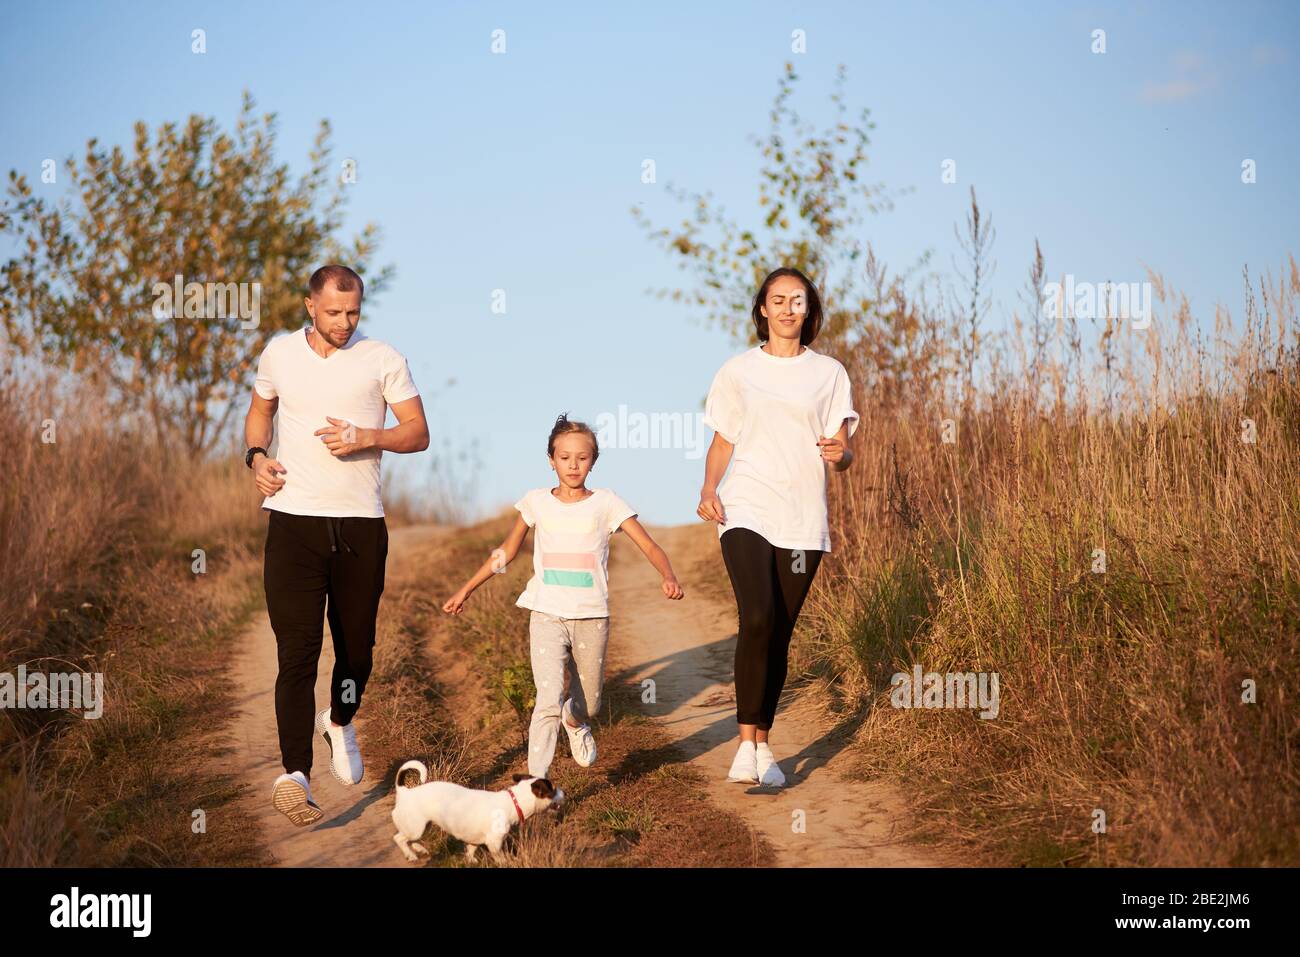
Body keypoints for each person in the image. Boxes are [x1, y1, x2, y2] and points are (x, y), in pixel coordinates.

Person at [244, 264, 429, 826]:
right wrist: (256, 457)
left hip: (358, 526)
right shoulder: (278, 354)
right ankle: (296, 775)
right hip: (293, 524)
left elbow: (418, 433)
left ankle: (341, 721)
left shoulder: (383, 359)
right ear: (309, 307)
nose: (345, 322)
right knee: (295, 654)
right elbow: (260, 413)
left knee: (356, 652)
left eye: (353, 312)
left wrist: (367, 436)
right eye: (333, 313)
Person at [443, 413, 683, 777]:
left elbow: (648, 545)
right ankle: (536, 779)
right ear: (551, 459)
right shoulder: (536, 502)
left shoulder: (606, 503)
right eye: (565, 457)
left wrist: (668, 575)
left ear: (593, 461)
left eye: (582, 457)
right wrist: (466, 589)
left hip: (591, 616)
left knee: (591, 704)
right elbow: (505, 553)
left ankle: (575, 722)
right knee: (548, 697)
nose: (573, 465)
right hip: (546, 613)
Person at [696, 267, 858, 788]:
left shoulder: (829, 373)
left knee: (781, 633)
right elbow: (723, 440)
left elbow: (842, 446)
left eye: (799, 301)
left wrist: (844, 454)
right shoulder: (738, 371)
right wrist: (708, 490)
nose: (789, 308)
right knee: (759, 616)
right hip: (746, 505)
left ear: (809, 311)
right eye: (778, 300)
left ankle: (763, 746)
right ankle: (746, 745)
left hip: (803, 515)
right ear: (762, 309)